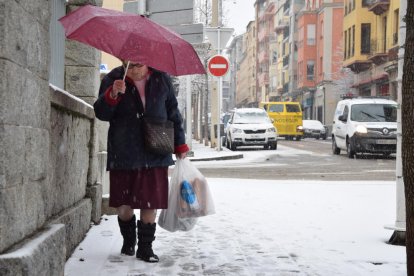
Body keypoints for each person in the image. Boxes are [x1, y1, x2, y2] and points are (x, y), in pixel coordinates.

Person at [93, 61, 189, 263]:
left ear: (147, 61)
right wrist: (112, 95)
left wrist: (180, 144)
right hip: (123, 149)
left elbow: (173, 113)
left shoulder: (161, 78)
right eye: (130, 65)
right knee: (124, 206)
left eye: (139, 65)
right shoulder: (113, 78)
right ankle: (129, 241)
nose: (135, 70)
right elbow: (101, 113)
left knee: (150, 202)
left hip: (155, 148)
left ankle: (146, 248)